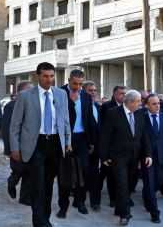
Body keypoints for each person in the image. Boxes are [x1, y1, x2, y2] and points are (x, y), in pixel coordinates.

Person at [9, 62, 72, 227]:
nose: (49, 79)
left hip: (55, 145)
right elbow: (15, 125)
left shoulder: (60, 94)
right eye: (45, 76)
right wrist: (14, 148)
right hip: (35, 145)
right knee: (38, 185)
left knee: (49, 185)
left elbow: (65, 121)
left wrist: (68, 141)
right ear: (37, 76)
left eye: (52, 76)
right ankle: (41, 224)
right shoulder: (25, 96)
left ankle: (45, 219)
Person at [99, 90, 153, 226]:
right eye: (139, 101)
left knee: (129, 184)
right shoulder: (113, 114)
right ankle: (125, 214)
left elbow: (144, 135)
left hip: (134, 156)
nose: (141, 103)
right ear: (130, 102)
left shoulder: (140, 113)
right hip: (118, 157)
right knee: (122, 184)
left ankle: (119, 208)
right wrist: (103, 156)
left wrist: (147, 154)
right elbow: (105, 136)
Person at [57, 70, 95, 218]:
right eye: (75, 83)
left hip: (82, 140)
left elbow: (89, 119)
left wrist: (91, 141)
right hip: (65, 139)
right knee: (65, 176)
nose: (78, 87)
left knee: (83, 172)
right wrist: (71, 102)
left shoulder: (86, 96)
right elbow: (59, 116)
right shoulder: (59, 93)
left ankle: (80, 202)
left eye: (81, 84)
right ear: (68, 80)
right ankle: (63, 206)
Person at [142, 94, 163, 223]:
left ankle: (147, 197)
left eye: (158, 103)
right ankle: (155, 213)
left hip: (162, 158)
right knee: (149, 185)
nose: (157, 106)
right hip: (147, 158)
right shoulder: (141, 118)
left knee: (158, 183)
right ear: (147, 105)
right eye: (154, 104)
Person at [2, 80, 34, 203]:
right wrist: (9, 149)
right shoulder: (11, 106)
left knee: (29, 172)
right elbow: (6, 129)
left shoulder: (33, 105)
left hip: (30, 145)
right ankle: (11, 183)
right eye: (30, 90)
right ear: (21, 92)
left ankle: (25, 198)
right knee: (19, 170)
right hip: (16, 145)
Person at [100, 85, 127, 208]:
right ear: (115, 94)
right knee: (110, 174)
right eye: (121, 93)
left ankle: (123, 197)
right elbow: (103, 127)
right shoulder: (106, 107)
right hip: (111, 147)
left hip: (125, 147)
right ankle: (113, 198)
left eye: (125, 93)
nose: (124, 96)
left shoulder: (128, 107)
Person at [83, 81, 102, 211]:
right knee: (83, 174)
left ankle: (95, 202)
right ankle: (80, 201)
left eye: (94, 90)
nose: (93, 93)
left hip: (97, 146)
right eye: (90, 90)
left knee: (94, 174)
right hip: (83, 146)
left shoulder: (98, 106)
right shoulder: (80, 106)